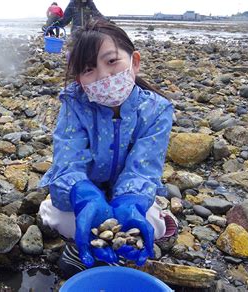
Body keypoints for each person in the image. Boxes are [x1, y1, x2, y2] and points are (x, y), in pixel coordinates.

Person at [38, 20, 178, 279]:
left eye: (111, 61)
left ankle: (92, 244)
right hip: (86, 188)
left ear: (134, 62)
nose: (103, 75)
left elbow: (144, 168)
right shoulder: (74, 104)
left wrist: (131, 202)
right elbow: (68, 162)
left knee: (151, 225)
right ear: (80, 79)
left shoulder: (157, 110)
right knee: (57, 218)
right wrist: (85, 196)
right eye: (89, 69)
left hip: (128, 193)